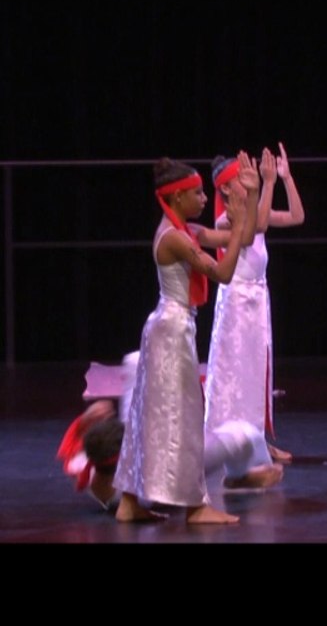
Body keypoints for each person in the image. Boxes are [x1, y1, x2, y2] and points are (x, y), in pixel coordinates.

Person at [113, 152, 259, 524]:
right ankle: (195, 506)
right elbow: (223, 273)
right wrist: (240, 218)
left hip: (168, 327)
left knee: (148, 414)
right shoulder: (175, 238)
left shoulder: (184, 231)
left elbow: (237, 239)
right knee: (184, 416)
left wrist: (246, 206)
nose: (205, 199)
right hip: (172, 331)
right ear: (177, 198)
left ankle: (130, 502)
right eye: (197, 193)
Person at [205, 143, 305, 467]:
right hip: (236, 303)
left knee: (258, 375)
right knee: (237, 376)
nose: (248, 179)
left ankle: (257, 440)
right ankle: (232, 444)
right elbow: (255, 228)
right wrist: (266, 184)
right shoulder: (224, 221)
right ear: (224, 189)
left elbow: (296, 216)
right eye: (241, 178)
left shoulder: (254, 213)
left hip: (258, 301)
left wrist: (285, 178)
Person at [58, 398, 283, 512]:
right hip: (179, 467)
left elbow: (74, 449)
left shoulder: (84, 467)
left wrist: (87, 419)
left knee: (136, 361)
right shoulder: (144, 489)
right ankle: (242, 474)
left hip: (161, 462)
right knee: (244, 431)